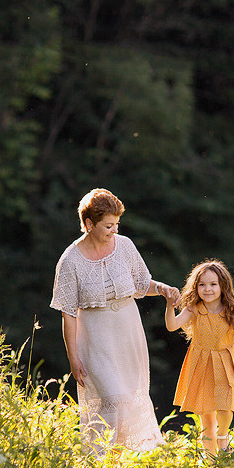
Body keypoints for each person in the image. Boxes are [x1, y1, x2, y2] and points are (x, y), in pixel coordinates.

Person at [51, 188, 179, 454]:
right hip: (95, 338)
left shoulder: (126, 246)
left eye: (116, 224)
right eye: (108, 225)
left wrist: (163, 289)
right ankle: (98, 461)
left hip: (127, 332)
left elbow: (142, 284)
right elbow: (68, 313)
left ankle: (135, 458)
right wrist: (73, 357)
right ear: (88, 224)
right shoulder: (70, 261)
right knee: (112, 398)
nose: (114, 230)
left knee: (132, 396)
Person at [164, 259, 234, 456]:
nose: (208, 289)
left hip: (224, 363)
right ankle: (210, 460)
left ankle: (223, 438)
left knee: (225, 407)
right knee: (206, 417)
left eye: (213, 284)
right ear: (196, 287)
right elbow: (172, 326)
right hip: (201, 364)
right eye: (202, 285)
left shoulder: (233, 313)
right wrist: (170, 306)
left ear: (223, 286)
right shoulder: (193, 309)